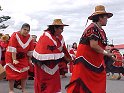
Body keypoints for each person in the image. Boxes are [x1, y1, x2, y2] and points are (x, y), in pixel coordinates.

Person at [66, 5, 118, 93]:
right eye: (105, 17)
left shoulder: (100, 30)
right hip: (85, 61)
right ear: (100, 18)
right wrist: (107, 53)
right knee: (84, 83)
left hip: (95, 60)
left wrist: (111, 55)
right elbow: (93, 45)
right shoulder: (92, 28)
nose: (107, 19)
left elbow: (102, 46)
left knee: (98, 80)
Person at [32, 19, 72, 93]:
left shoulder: (60, 37)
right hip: (43, 66)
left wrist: (69, 58)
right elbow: (43, 51)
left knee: (55, 85)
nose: (62, 31)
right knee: (44, 85)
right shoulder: (45, 36)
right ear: (55, 28)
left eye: (63, 29)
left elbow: (64, 49)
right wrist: (63, 56)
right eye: (61, 29)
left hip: (54, 66)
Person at [5, 23, 34, 93]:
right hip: (11, 56)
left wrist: (29, 60)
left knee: (24, 74)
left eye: (28, 30)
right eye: (25, 29)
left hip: (23, 57)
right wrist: (14, 59)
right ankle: (11, 90)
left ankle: (23, 89)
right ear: (21, 29)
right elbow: (13, 48)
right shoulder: (15, 35)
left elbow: (30, 50)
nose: (26, 31)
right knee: (11, 74)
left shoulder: (30, 38)